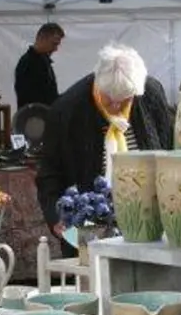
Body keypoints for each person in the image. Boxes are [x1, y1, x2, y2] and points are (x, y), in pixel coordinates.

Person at [37, 44, 173, 248]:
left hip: (149, 217)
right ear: (98, 82)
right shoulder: (66, 109)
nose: (117, 106)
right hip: (91, 222)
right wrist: (56, 216)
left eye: (125, 98)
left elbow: (169, 148)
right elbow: (49, 171)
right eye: (109, 98)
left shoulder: (150, 93)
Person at [14, 22, 64, 109]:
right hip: (34, 118)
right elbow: (29, 97)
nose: (56, 49)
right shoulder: (27, 63)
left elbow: (49, 93)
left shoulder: (44, 62)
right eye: (54, 44)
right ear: (42, 38)